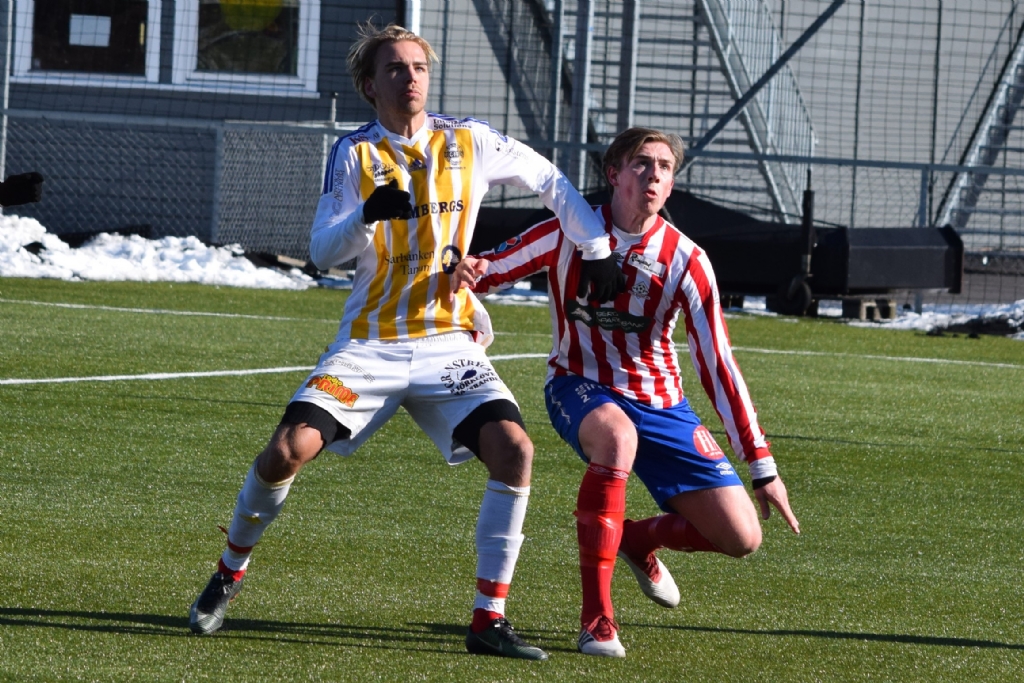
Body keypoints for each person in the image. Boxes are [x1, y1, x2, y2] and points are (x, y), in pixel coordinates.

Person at [187, 22, 623, 661]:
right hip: (370, 344)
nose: (410, 77)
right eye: (394, 68)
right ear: (370, 85)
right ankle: (228, 572)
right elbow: (322, 252)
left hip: (449, 342)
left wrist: (596, 246)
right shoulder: (354, 153)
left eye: (418, 66)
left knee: (515, 451)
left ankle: (489, 620)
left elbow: (551, 180)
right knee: (286, 451)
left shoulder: (469, 140)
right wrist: (367, 215)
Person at [450, 127, 801, 658]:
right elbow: (487, 270)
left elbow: (718, 365)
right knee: (617, 439)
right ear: (614, 174)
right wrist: (468, 273)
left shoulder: (687, 259)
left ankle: (638, 540)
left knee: (742, 537)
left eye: (665, 167)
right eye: (642, 163)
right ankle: (597, 621)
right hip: (578, 384)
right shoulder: (568, 230)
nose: (654, 175)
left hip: (662, 405)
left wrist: (762, 465)